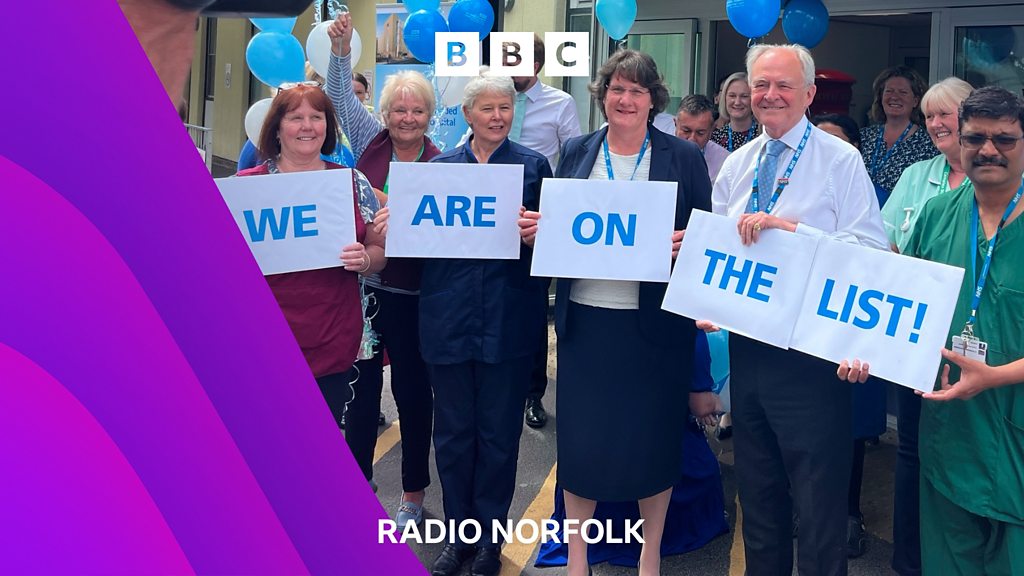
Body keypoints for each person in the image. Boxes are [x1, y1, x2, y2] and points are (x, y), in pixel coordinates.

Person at [519, 49, 712, 576]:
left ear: (653, 100)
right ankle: (578, 560)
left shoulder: (682, 156)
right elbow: (559, 227)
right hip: (587, 325)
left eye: (636, 91)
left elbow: (705, 235)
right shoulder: (577, 150)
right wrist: (539, 234)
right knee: (582, 448)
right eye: (617, 89)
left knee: (653, 446)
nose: (625, 99)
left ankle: (650, 557)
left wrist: (689, 244)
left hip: (655, 330)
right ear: (603, 95)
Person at [707, 44, 887, 576]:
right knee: (759, 497)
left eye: (783, 85)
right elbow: (719, 246)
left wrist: (793, 231)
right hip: (750, 349)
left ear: (808, 94)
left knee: (818, 504)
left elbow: (871, 250)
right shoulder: (738, 164)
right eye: (761, 84)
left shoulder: (840, 160)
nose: (770, 95)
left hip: (812, 355)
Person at [416, 71, 551, 576]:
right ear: (468, 115)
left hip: (508, 321)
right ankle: (458, 539)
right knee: (453, 437)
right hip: (448, 319)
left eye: (505, 108)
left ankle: (490, 542)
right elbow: (417, 243)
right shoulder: (437, 171)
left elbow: (555, 245)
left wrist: (540, 234)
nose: (498, 117)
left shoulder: (534, 167)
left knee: (498, 437)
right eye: (488, 108)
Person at [900, 85, 1024, 576]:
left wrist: (997, 376)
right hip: (950, 434)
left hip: (1013, 432)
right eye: (975, 138)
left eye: (1005, 139)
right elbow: (900, 306)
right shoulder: (937, 215)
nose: (988, 149)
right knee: (948, 558)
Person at [326, 11, 441, 528]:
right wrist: (341, 51)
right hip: (366, 290)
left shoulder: (447, 163)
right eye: (398, 109)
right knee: (361, 394)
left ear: (429, 115)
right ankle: (356, 488)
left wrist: (398, 210)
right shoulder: (369, 138)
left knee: (413, 395)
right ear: (385, 113)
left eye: (416, 110)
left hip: (415, 294)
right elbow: (339, 96)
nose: (406, 118)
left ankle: (413, 493)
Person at [235, 82, 385, 436]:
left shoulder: (353, 183)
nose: (307, 126)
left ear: (328, 127)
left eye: (316, 117)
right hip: (264, 341)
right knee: (266, 442)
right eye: (295, 117)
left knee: (319, 441)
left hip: (332, 337)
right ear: (276, 128)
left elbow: (379, 251)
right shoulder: (245, 188)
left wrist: (365, 260)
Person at [877, 76, 973, 576]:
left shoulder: (999, 178)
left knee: (969, 449)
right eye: (930, 115)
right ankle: (909, 561)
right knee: (913, 450)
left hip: (979, 341)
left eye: (945, 114)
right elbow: (883, 243)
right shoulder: (916, 175)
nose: (935, 123)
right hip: (917, 337)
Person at [534, 333, 728, 569]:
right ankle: (647, 560)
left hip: (598, 489)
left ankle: (582, 563)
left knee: (587, 440)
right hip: (658, 469)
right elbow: (700, 398)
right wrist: (711, 397)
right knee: (674, 448)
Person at [810, 112, 890, 559]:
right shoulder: (796, 190)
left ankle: (848, 514)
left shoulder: (872, 194)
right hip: (803, 328)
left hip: (851, 322)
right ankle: (807, 509)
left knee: (850, 426)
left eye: (836, 141)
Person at [860, 66, 938, 206]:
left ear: (915, 101)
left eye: (903, 92)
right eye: (889, 91)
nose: (895, 97)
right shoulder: (864, 137)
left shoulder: (928, 143)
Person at [676, 94, 730, 183]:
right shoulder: (658, 153)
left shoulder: (724, 161)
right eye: (686, 131)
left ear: (712, 130)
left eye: (700, 133)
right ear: (675, 124)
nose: (692, 139)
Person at [710, 72, 761, 152]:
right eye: (732, 96)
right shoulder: (714, 139)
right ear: (724, 98)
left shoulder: (763, 136)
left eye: (744, 96)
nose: (737, 102)